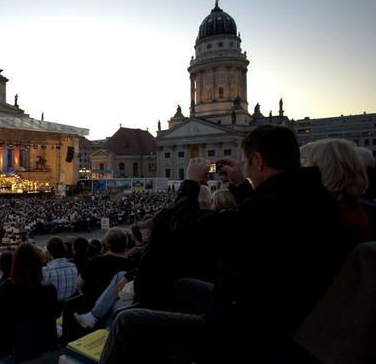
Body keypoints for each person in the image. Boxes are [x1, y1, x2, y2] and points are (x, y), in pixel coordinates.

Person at [100, 125, 349, 363]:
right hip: (274, 309)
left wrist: (190, 184)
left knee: (126, 322)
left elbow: (185, 228)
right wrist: (241, 186)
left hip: (246, 328)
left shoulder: (269, 207)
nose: (248, 170)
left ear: (259, 161)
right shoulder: (311, 195)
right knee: (183, 285)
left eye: (248, 163)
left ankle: (190, 344)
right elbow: (257, 218)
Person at [300, 138, 372, 245]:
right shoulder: (348, 212)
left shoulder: (334, 220)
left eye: (303, 164)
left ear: (326, 171)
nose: (298, 171)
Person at [0, 243, 59, 356]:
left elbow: (2, 324)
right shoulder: (49, 290)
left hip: (14, 349)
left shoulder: (6, 288)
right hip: (42, 345)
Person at [76, 227, 138, 300]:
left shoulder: (96, 261)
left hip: (93, 303)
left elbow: (79, 283)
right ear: (126, 243)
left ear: (107, 245)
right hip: (122, 306)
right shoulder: (135, 264)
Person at [42, 237, 78, 302]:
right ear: (65, 249)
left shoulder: (45, 271)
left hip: (52, 309)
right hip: (70, 308)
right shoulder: (74, 267)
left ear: (49, 253)